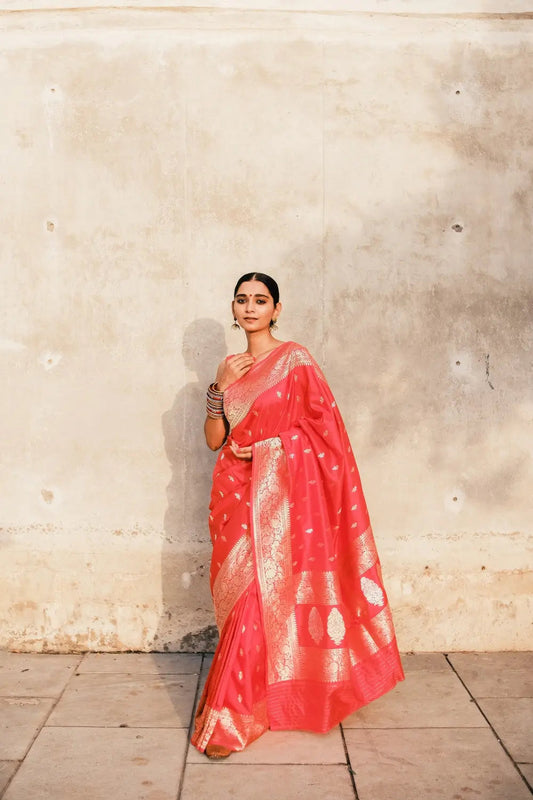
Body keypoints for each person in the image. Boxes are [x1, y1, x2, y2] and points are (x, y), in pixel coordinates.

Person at [192, 272, 404, 759]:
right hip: (234, 495)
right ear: (233, 308)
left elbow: (325, 434)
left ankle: (231, 717)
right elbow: (214, 440)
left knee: (257, 599)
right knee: (247, 599)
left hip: (282, 498)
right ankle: (258, 696)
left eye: (260, 300)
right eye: (242, 300)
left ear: (276, 309)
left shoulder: (296, 361)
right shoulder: (229, 365)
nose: (250, 308)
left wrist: (271, 448)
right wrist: (218, 388)